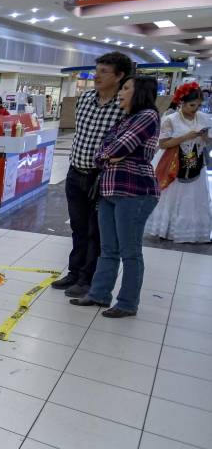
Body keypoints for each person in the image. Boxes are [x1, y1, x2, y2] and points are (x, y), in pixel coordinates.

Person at [71, 76, 160, 318]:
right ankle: (99, 293)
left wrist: (111, 154)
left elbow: (118, 148)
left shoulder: (148, 116)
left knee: (130, 251)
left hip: (134, 192)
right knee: (108, 247)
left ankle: (128, 303)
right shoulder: (125, 119)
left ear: (139, 92)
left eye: (127, 88)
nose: (121, 92)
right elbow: (102, 152)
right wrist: (109, 155)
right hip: (109, 189)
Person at [53, 52, 132, 297]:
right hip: (75, 172)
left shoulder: (124, 107)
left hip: (101, 179)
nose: (97, 76)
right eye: (97, 70)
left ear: (119, 76)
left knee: (95, 231)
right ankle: (74, 272)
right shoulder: (85, 98)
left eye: (104, 72)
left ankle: (88, 279)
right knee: (77, 227)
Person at [145, 82, 212, 243]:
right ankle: (165, 229)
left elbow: (209, 141)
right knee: (170, 196)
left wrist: (204, 138)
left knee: (193, 198)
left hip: (195, 163)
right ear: (182, 102)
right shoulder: (170, 119)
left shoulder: (204, 118)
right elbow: (162, 144)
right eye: (191, 105)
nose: (195, 108)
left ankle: (190, 232)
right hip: (173, 163)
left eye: (198, 105)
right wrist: (185, 137)